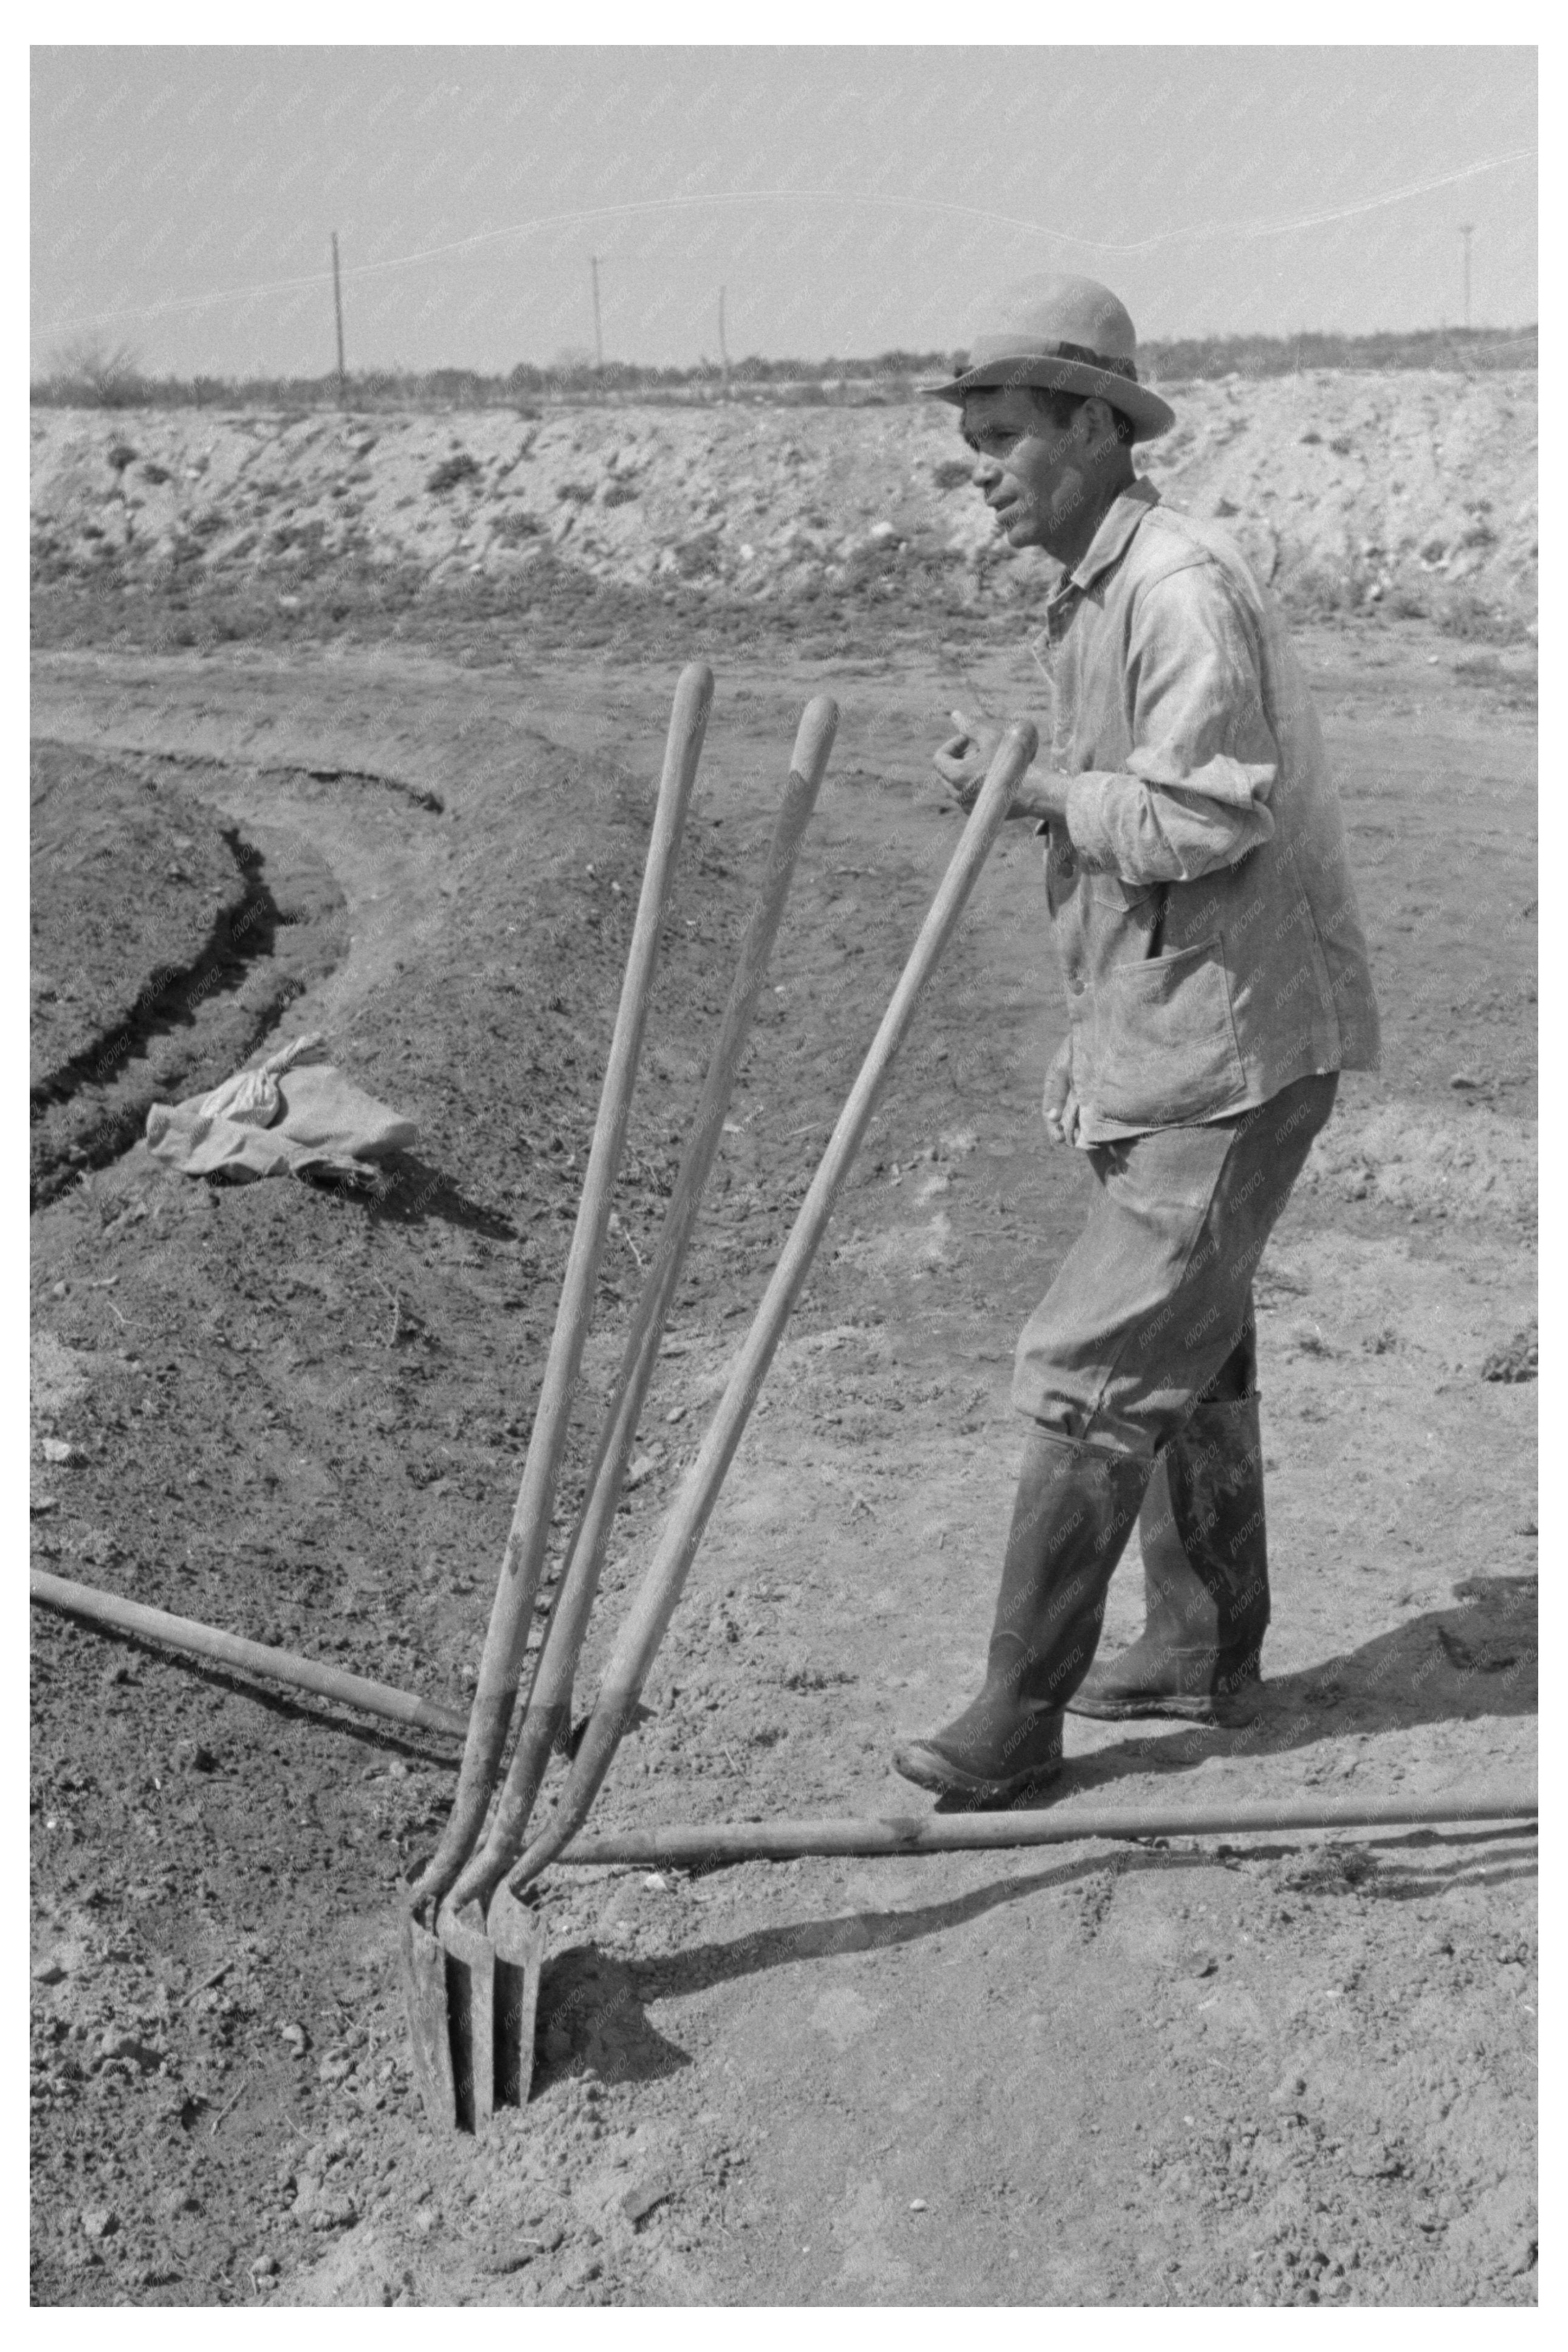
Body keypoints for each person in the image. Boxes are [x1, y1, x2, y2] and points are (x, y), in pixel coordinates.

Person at [892, 274, 1380, 1806]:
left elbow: (1203, 813)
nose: (982, 467)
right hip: (1172, 1028)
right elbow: (1136, 826)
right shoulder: (1092, 590)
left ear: (1097, 428)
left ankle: (1014, 1719)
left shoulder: (1172, 587)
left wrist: (1030, 790)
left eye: (1005, 435)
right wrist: (1091, 1040)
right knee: (1189, 1332)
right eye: (971, 439)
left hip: (1238, 1044)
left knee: (1092, 1362)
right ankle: (1198, 1644)